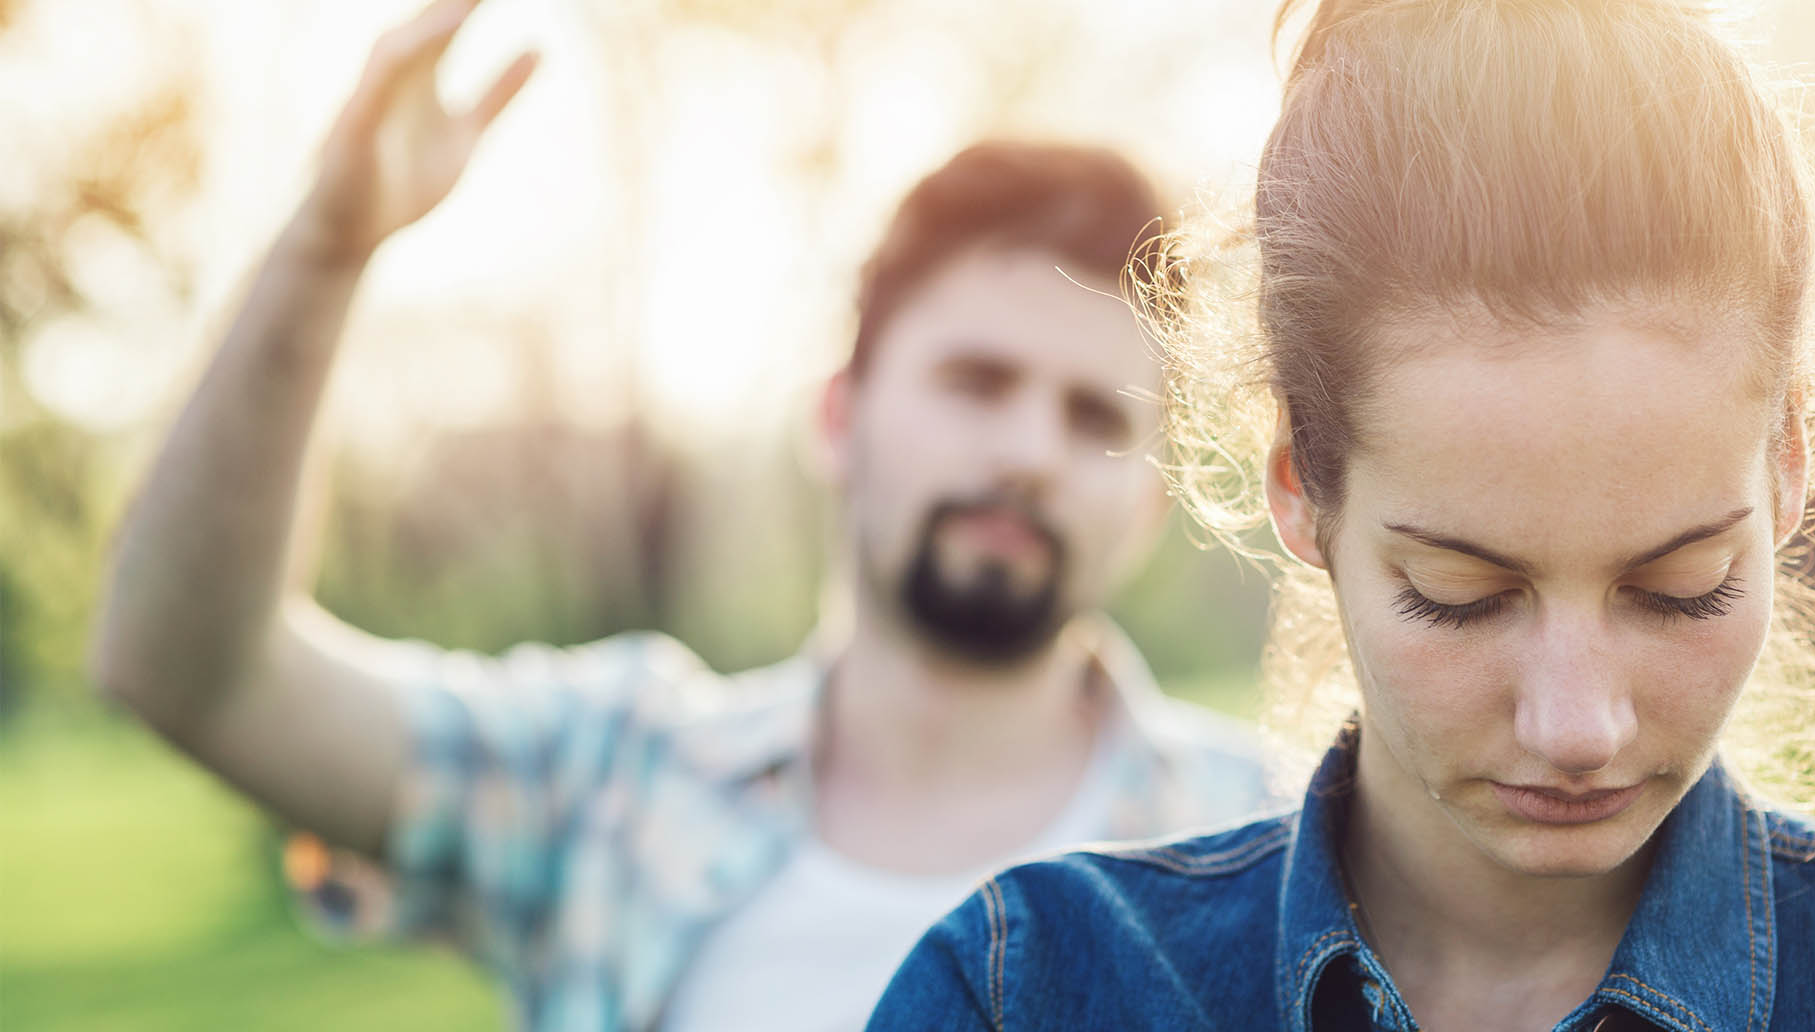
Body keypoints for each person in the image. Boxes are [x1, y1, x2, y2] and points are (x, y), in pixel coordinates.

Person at [865, 0, 1815, 1028]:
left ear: (1788, 471)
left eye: (1681, 583)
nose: (1578, 724)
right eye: (1462, 594)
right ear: (1299, 495)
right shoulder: (1026, 990)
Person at [89, 1, 1278, 1029]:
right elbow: (194, 672)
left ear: (1147, 501)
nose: (1028, 451)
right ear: (837, 417)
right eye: (975, 383)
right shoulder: (609, 784)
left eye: (1093, 417)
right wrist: (322, 251)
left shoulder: (1274, 855)